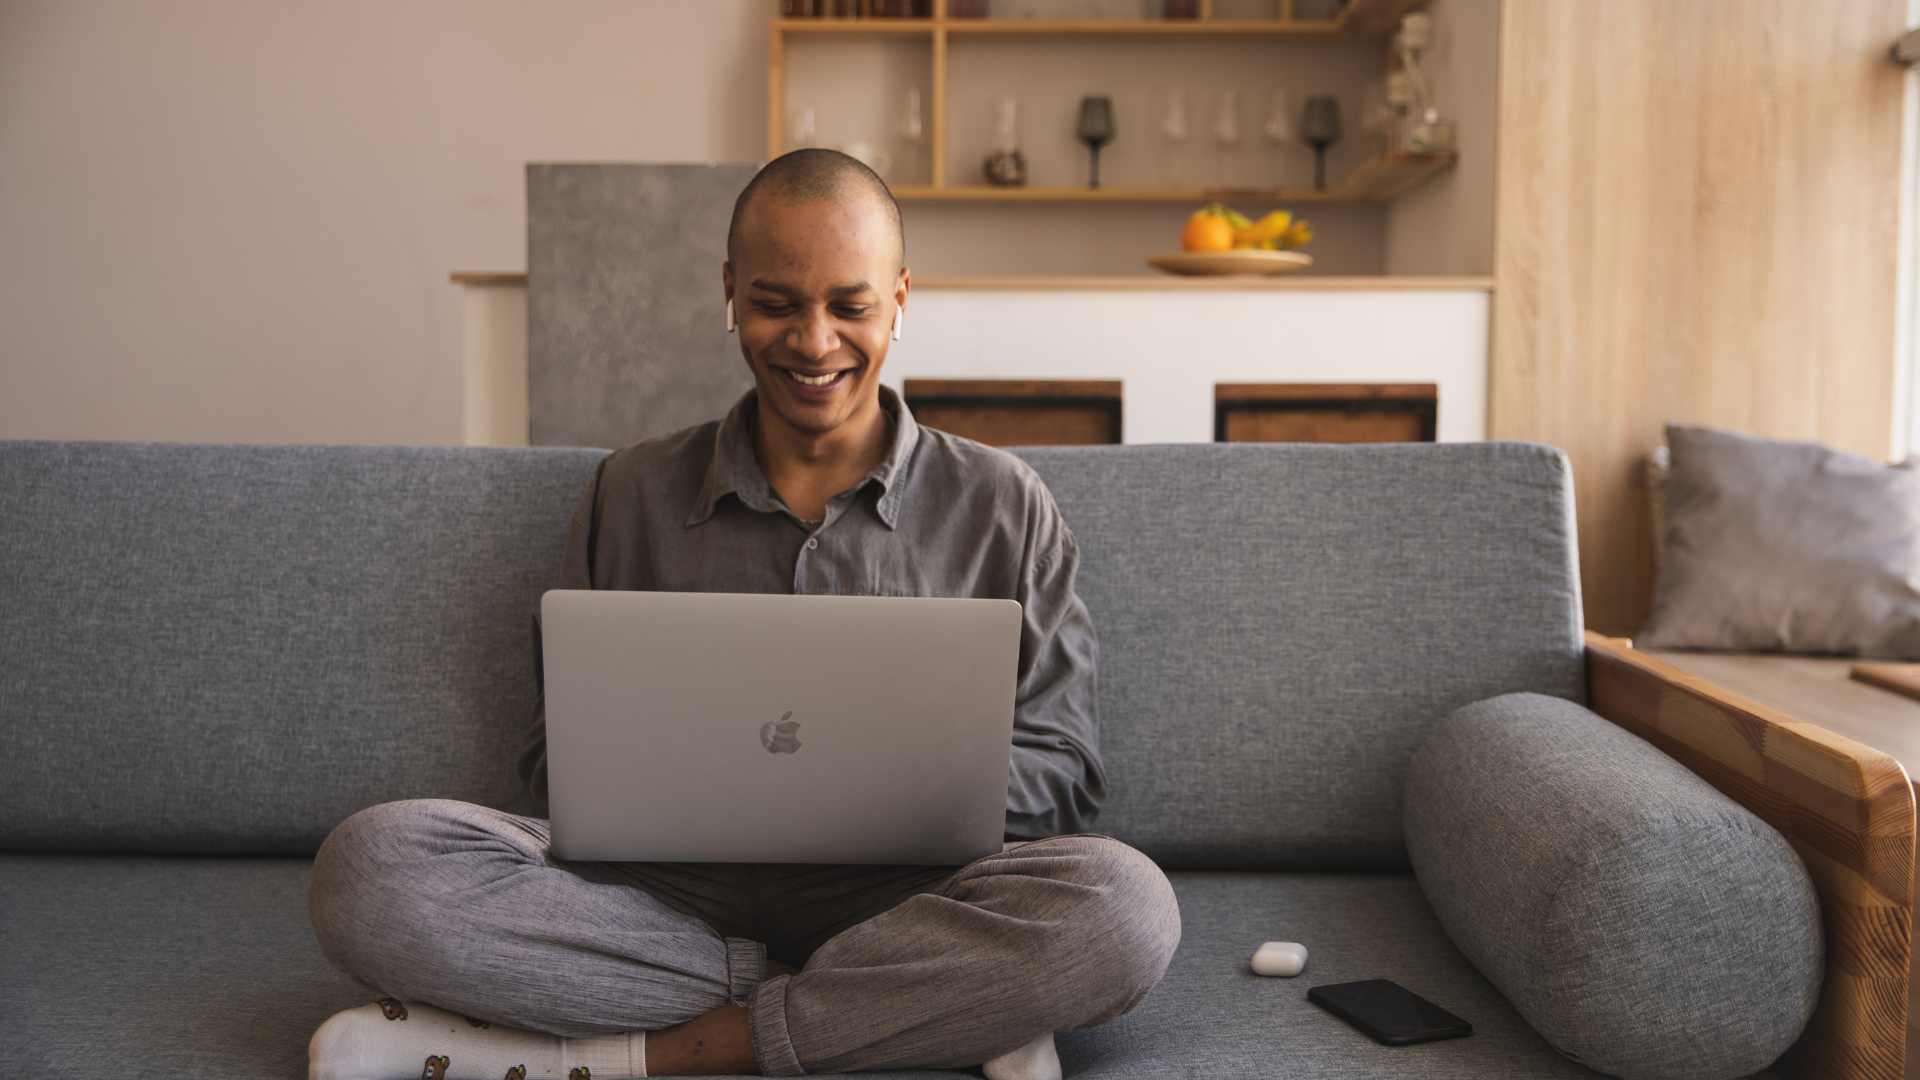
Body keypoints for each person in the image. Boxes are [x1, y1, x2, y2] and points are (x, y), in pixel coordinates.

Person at [305, 149, 1181, 1080]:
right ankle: (920, 1009)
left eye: (850, 305)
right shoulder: (630, 491)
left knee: (1124, 909)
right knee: (372, 868)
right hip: (662, 902)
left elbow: (1067, 767)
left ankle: (649, 1054)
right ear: (729, 292)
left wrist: (883, 788)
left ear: (900, 300)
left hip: (912, 898)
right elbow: (549, 762)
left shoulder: (1004, 502)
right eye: (776, 303)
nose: (814, 341)